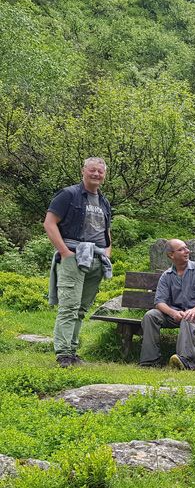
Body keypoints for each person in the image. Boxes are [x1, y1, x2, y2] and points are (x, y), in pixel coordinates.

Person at [45, 156, 113, 368]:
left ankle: (72, 352)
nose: (96, 174)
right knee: (69, 307)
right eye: (92, 170)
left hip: (96, 259)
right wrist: (65, 252)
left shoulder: (104, 201)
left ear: (104, 175)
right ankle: (63, 354)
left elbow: (106, 230)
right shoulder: (69, 194)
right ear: (83, 171)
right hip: (73, 256)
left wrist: (107, 253)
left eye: (100, 171)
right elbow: (49, 223)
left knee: (82, 308)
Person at [139, 239, 195, 370]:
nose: (187, 251)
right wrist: (173, 313)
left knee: (189, 317)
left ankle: (185, 361)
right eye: (181, 249)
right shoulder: (167, 276)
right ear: (171, 255)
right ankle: (149, 361)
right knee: (151, 315)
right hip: (178, 314)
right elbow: (159, 302)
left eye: (186, 248)